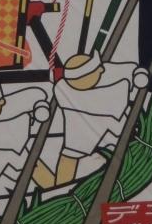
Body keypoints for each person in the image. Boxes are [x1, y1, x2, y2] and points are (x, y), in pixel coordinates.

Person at [53, 51, 135, 186]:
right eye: (96, 68)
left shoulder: (109, 72)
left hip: (119, 135)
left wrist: (139, 75)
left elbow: (132, 70)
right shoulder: (67, 96)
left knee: (69, 158)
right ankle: (59, 187)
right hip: (85, 128)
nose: (102, 69)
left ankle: (58, 186)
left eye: (99, 66)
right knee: (69, 157)